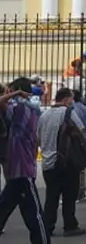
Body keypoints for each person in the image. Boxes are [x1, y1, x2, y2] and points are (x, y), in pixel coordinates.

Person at [0, 78, 49, 244]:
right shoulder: (29, 108)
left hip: (21, 168)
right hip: (19, 167)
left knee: (34, 214)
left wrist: (14, 94)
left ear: (18, 90)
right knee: (5, 206)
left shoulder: (20, 108)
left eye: (10, 90)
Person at [37, 88, 86, 237]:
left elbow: (38, 137)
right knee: (69, 195)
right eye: (71, 99)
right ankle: (70, 225)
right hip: (66, 162)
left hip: (48, 162)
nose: (72, 102)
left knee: (51, 196)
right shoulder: (69, 113)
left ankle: (48, 226)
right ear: (66, 100)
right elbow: (81, 131)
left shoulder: (43, 115)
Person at [69, 90, 86, 203]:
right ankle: (82, 192)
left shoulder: (71, 109)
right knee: (82, 168)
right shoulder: (85, 109)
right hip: (85, 139)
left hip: (74, 140)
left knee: (73, 168)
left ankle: (75, 193)